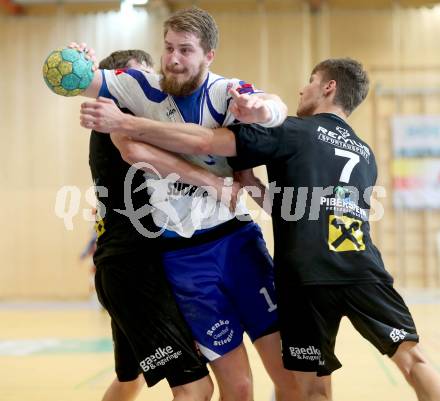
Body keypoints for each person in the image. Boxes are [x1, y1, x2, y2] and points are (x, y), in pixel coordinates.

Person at [83, 57, 440, 401]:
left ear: (329, 87)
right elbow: (298, 211)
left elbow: (206, 142)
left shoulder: (293, 131)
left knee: (313, 389)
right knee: (414, 360)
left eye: (310, 82)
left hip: (305, 277)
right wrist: (251, 183)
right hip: (361, 267)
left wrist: (127, 123)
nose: (302, 90)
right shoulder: (365, 153)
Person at [74, 7, 301, 401]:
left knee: (288, 375)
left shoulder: (224, 92)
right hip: (183, 258)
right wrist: (78, 64)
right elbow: (84, 83)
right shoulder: (139, 87)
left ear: (208, 55)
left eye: (185, 50)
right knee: (239, 385)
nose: (174, 59)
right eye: (168, 48)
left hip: (236, 243)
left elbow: (272, 105)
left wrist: (260, 110)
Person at [88, 49, 217, 401]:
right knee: (195, 388)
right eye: (135, 80)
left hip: (124, 266)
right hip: (133, 270)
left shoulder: (124, 121)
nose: (147, 87)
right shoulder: (119, 124)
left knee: (130, 381)